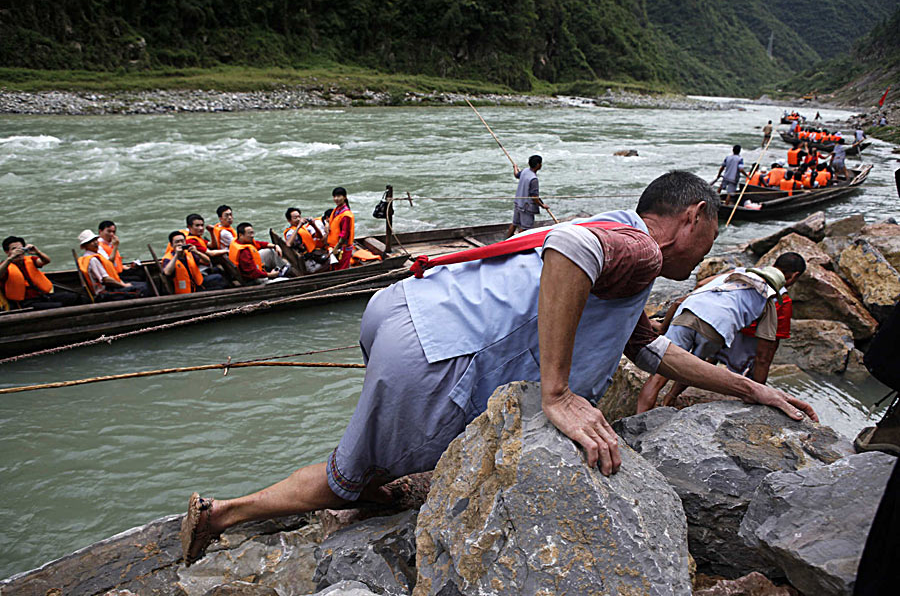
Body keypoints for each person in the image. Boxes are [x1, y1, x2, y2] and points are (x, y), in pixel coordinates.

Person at [179, 171, 818, 566]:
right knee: (349, 478)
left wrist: (751, 388)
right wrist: (558, 392)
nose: (710, 249)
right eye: (712, 231)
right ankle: (221, 513)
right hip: (441, 352)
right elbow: (572, 250)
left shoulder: (617, 234)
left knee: (377, 455)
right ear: (693, 218)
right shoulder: (639, 250)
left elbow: (653, 349)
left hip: (402, 309)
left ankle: (369, 470)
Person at [636, 264, 790, 413]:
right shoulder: (769, 302)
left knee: (657, 378)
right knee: (693, 367)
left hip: (688, 312)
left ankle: (638, 421)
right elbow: (763, 354)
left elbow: (697, 287)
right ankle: (670, 399)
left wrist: (663, 327)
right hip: (716, 329)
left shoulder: (732, 277)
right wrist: (759, 390)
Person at [715, 253, 807, 383]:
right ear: (794, 276)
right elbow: (765, 357)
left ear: (774, 265)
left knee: (707, 354)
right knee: (760, 359)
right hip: (749, 341)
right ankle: (755, 396)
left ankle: (676, 394)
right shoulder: (782, 300)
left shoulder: (744, 273)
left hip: (720, 325)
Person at [1, 236, 80, 309]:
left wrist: (37, 252)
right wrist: (10, 258)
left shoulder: (30, 260)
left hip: (42, 296)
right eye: (14, 249)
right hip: (25, 303)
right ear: (7, 252)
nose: (19, 252)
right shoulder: (5, 266)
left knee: (74, 297)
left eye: (21, 248)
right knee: (58, 306)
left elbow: (46, 261)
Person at [77, 230, 150, 301]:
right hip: (103, 293)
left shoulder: (90, 257)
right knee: (143, 288)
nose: (96, 243)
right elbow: (106, 280)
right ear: (84, 246)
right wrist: (124, 285)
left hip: (108, 287)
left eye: (95, 240)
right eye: (91, 242)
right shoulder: (93, 260)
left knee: (140, 283)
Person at [505, 154, 549, 239]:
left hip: (518, 203)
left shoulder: (525, 171)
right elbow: (534, 197)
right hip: (526, 207)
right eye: (540, 163)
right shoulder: (533, 179)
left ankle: (505, 242)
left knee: (514, 224)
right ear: (538, 165)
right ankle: (516, 245)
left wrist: (515, 167)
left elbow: (516, 175)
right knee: (525, 229)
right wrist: (542, 205)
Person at [284, 208, 328, 274]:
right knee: (330, 262)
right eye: (295, 218)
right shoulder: (291, 232)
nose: (298, 219)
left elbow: (320, 236)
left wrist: (313, 225)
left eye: (299, 217)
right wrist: (298, 226)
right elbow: (288, 244)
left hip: (313, 255)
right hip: (305, 261)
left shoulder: (304, 228)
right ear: (289, 220)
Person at [326, 187, 355, 271]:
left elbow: (345, 234)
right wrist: (327, 224)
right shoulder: (336, 210)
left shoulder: (346, 215)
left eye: (339, 196)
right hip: (334, 246)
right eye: (334, 196)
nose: (336, 199)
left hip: (342, 247)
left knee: (342, 269)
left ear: (345, 197)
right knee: (335, 267)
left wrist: (336, 247)